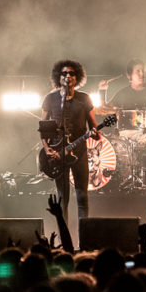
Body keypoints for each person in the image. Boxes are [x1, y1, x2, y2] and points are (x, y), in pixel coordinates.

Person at [41, 59, 99, 226]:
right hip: (58, 154)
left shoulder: (85, 99)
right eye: (64, 73)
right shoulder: (50, 99)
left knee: (82, 196)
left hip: (79, 152)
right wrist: (47, 150)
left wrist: (95, 133)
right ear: (59, 77)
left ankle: (84, 239)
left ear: (77, 77)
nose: (68, 76)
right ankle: (63, 239)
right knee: (62, 198)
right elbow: (42, 129)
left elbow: (95, 130)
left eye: (72, 73)